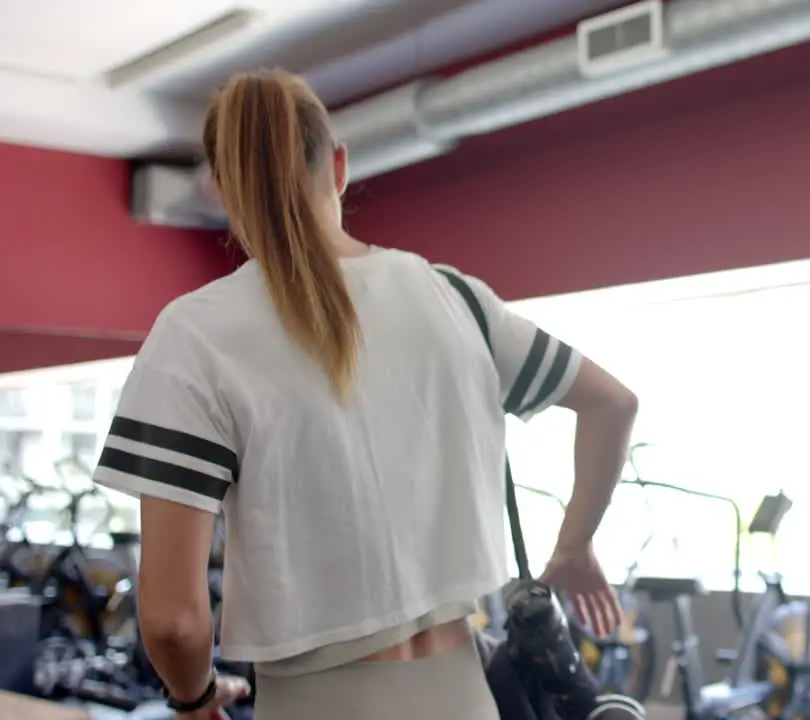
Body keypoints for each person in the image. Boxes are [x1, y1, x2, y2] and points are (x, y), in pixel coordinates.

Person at [92, 68, 637, 720]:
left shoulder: (194, 336)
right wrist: (574, 548)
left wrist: (194, 698)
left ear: (220, 189)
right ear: (340, 167)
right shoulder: (457, 300)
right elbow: (613, 404)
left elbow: (174, 623)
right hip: (467, 696)